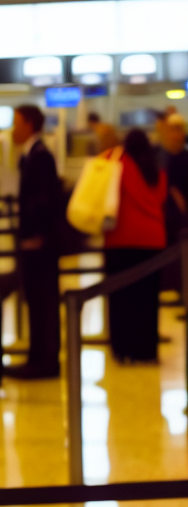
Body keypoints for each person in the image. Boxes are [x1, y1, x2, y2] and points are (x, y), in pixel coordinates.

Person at [7, 105, 65, 379]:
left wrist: (37, 236)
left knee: (43, 301)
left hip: (40, 244)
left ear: (29, 124)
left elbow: (43, 200)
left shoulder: (40, 157)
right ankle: (37, 356)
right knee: (36, 300)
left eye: (16, 123)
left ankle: (45, 360)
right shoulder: (32, 155)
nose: (13, 129)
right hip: (35, 243)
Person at [104, 128, 168, 364]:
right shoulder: (156, 169)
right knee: (148, 300)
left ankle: (123, 349)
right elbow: (161, 197)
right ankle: (147, 350)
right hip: (153, 241)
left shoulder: (118, 162)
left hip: (121, 240)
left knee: (121, 299)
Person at [158, 114, 188, 243]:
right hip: (167, 212)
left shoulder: (183, 156)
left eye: (179, 129)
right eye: (174, 129)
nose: (177, 134)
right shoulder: (161, 156)